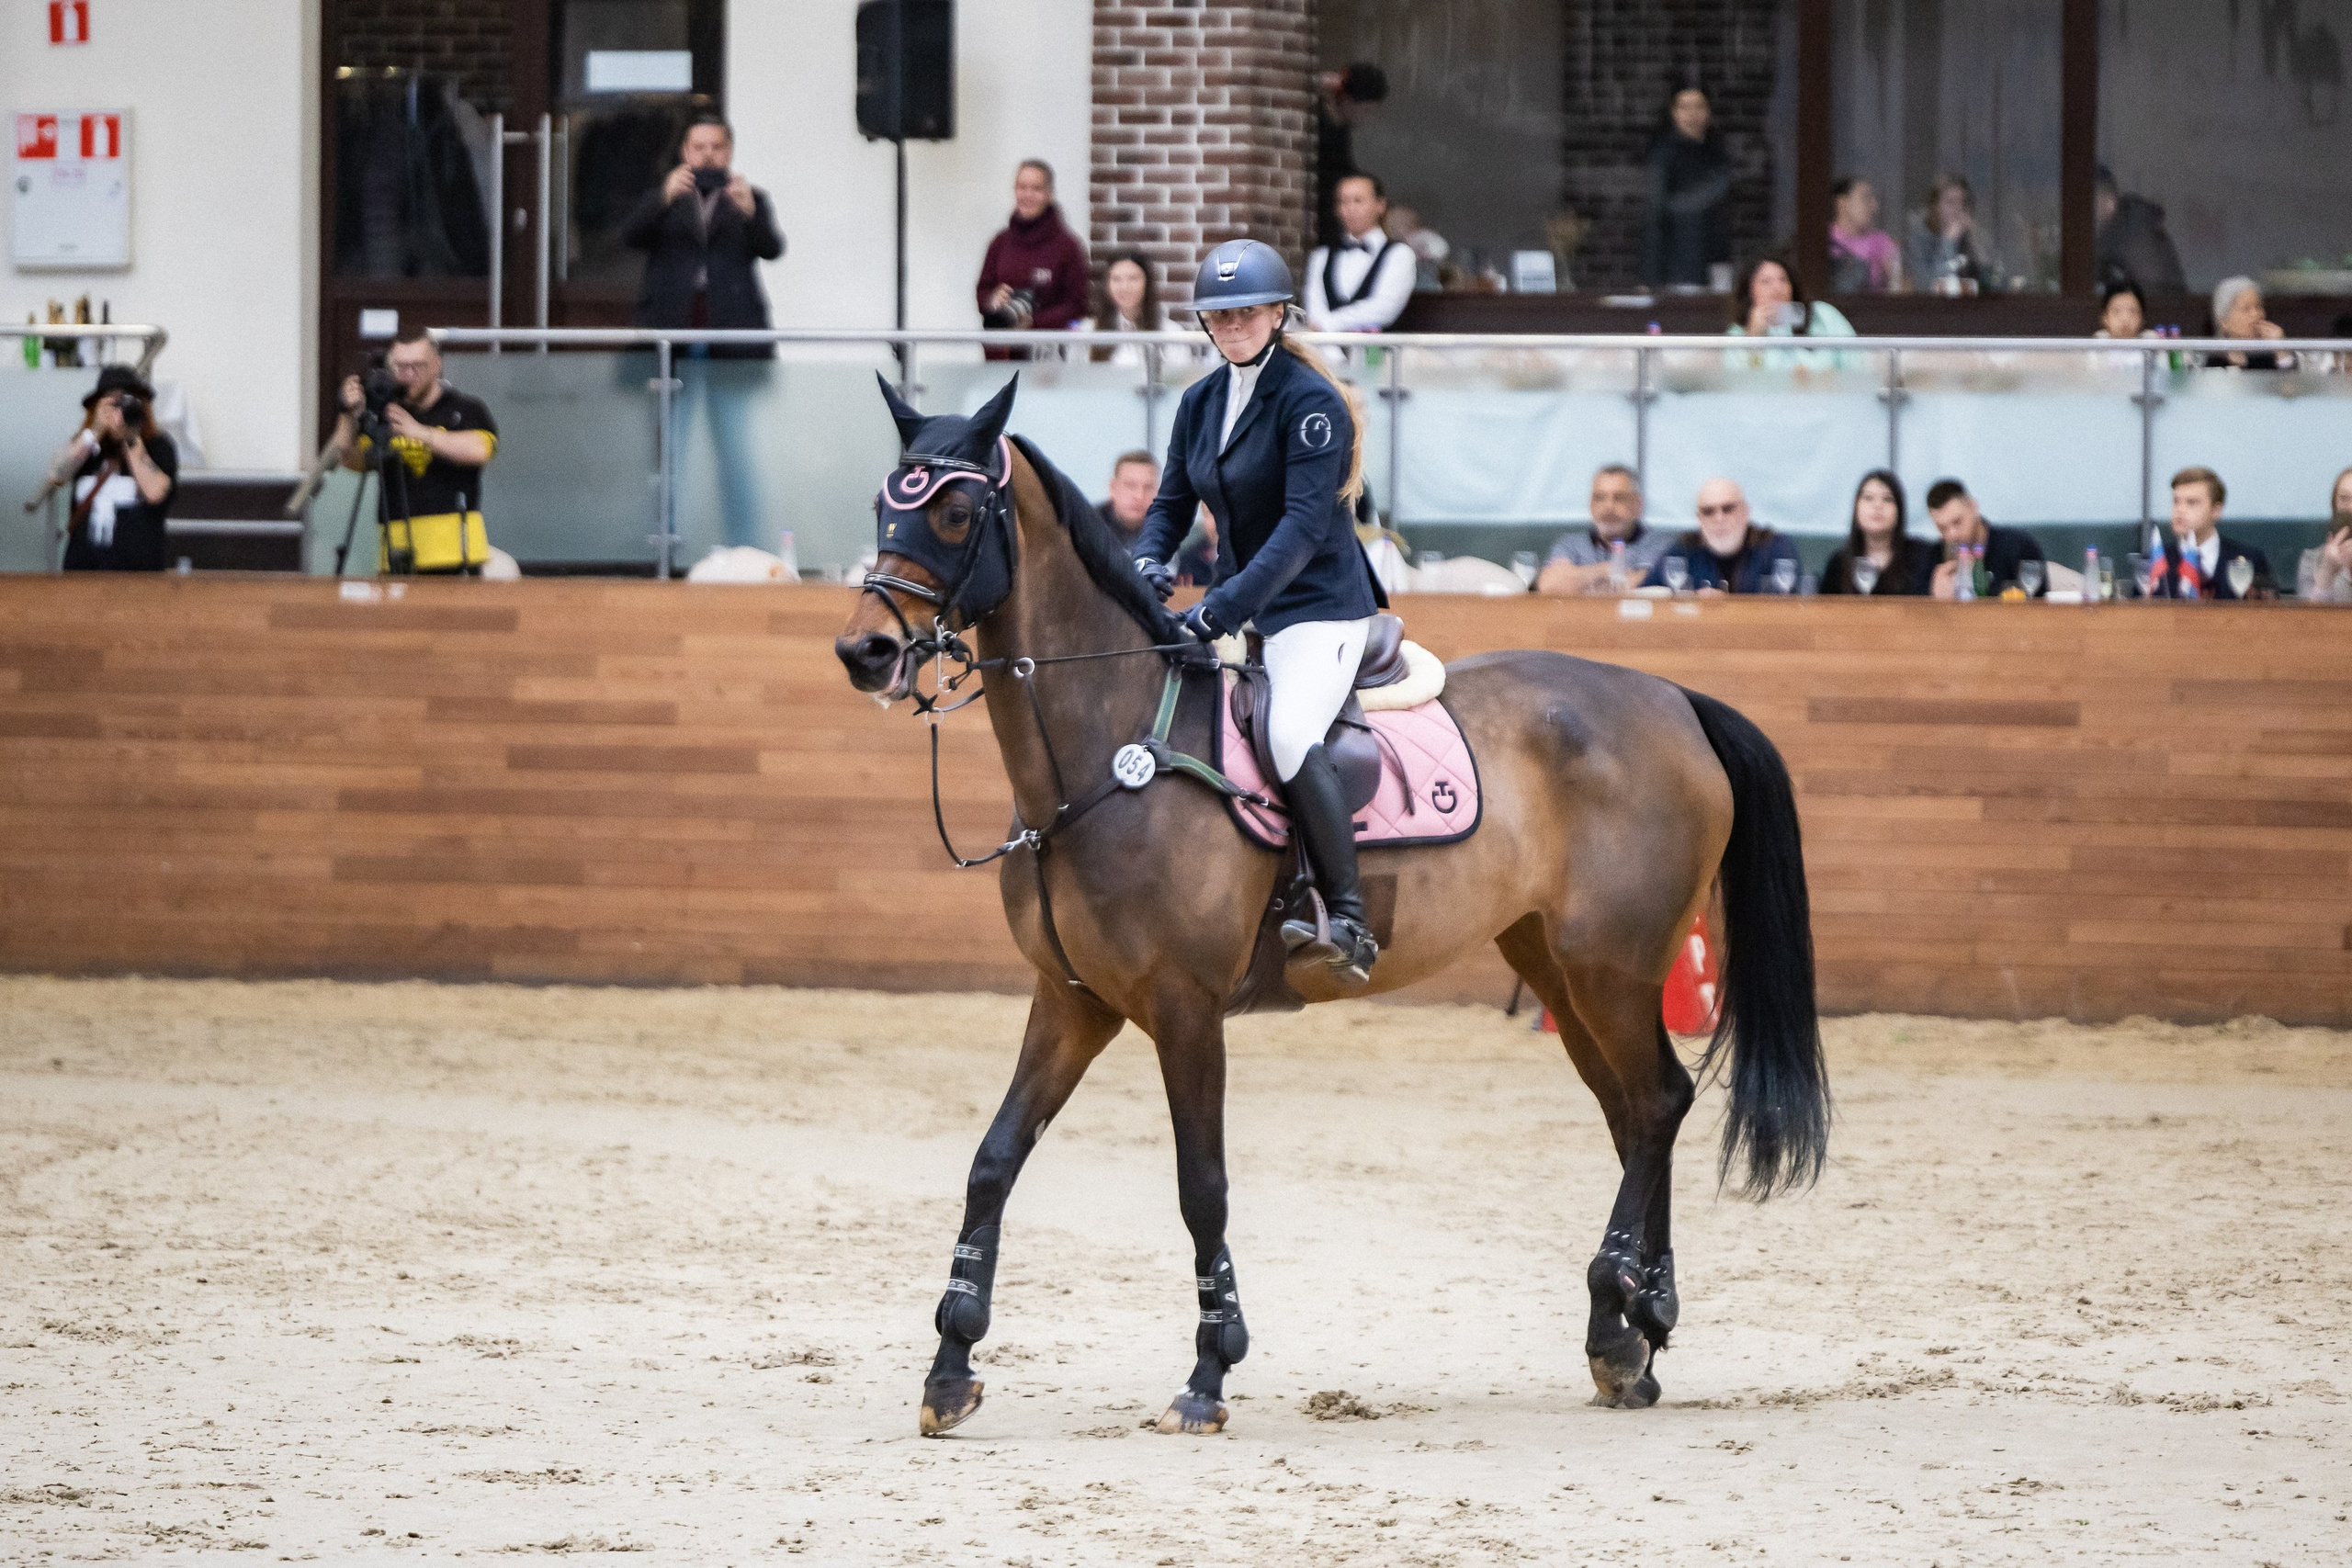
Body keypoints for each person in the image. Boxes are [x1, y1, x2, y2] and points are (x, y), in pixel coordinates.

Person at [1130, 239, 1388, 982]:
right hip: (1244, 607)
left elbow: (1302, 531)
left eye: (1247, 310)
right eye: (1221, 313)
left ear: (1278, 314)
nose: (1234, 323)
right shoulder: (1200, 400)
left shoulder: (1312, 404)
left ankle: (1346, 914)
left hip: (1317, 609)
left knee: (1286, 727)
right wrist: (1147, 559)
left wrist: (1217, 609)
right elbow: (1171, 501)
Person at [620, 114, 786, 549]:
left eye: (716, 147)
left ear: (729, 151)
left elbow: (773, 249)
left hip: (729, 344)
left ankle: (743, 546)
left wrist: (751, 215)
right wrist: (660, 199)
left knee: (734, 451)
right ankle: (665, 547)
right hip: (669, 344)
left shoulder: (749, 197)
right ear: (684, 152)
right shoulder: (667, 196)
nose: (707, 155)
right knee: (669, 453)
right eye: (698, 147)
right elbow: (628, 237)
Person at [334, 325, 498, 575]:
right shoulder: (383, 414)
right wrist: (347, 414)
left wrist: (420, 432)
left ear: (437, 365)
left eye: (417, 366)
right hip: (396, 555)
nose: (408, 375)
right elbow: (351, 460)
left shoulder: (466, 409)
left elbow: (479, 451)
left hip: (456, 555)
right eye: (400, 367)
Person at [53, 366, 178, 572]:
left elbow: (156, 493)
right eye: (113, 403)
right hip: (82, 575)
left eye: (127, 403)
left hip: (139, 579)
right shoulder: (87, 447)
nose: (119, 413)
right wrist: (95, 430)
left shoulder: (158, 446)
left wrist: (130, 437)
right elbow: (56, 474)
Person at [976, 160, 1090, 362]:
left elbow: (1078, 304)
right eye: (1022, 187)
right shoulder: (1000, 243)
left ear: (1050, 194)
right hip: (1001, 357)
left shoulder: (1068, 247)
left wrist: (1032, 322)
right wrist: (992, 300)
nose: (1027, 195)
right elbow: (983, 291)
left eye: (1036, 188)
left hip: (1048, 359)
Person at [1642, 86, 1733, 290]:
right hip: (1680, 263)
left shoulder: (1717, 152)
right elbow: (1655, 214)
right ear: (1674, 113)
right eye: (1685, 107)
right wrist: (1650, 275)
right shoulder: (1663, 156)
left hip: (1718, 258)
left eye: (1699, 106)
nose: (1693, 114)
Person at [1643, 479, 1804, 594]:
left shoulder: (1773, 546)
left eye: (1727, 509)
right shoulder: (1684, 548)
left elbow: (1794, 603)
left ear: (1745, 511)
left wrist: (1728, 609)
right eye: (1708, 511)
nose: (1719, 518)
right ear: (1699, 517)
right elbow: (1644, 595)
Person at [1304, 173, 1417, 333]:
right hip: (1325, 353)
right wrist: (1332, 356)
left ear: (1380, 205)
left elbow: (1384, 308)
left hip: (1379, 355)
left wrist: (1328, 324)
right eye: (1343, 201)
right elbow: (1315, 312)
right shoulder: (1321, 256)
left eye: (1358, 200)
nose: (1349, 209)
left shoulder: (1399, 254)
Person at [1536, 464, 1670, 593]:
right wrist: (1608, 569)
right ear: (1590, 504)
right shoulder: (1570, 544)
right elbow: (1549, 585)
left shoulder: (1657, 543)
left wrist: (1577, 579)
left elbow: (1643, 585)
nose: (1608, 506)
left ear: (1638, 505)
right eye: (1599, 498)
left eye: (1619, 498)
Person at [2147, 467, 2271, 600]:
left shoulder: (2250, 559)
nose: (2180, 510)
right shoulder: (2156, 561)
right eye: (2176, 501)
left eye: (2191, 502)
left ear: (2216, 510)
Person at [1724, 254, 1858, 370]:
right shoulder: (1738, 332)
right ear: (1749, 292)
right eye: (1766, 282)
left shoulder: (1821, 314)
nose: (1777, 288)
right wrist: (1755, 338)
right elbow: (1742, 384)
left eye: (1783, 280)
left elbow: (1857, 362)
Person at [1819, 470, 1937, 595]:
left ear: (1899, 510)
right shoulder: (1838, 565)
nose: (1877, 505)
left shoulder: (1922, 557)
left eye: (1887, 499)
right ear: (1856, 509)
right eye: (1868, 498)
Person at [1924, 479, 2045, 599]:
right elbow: (1912, 605)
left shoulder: (2017, 546)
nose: (1952, 535)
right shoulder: (1935, 558)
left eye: (1957, 522)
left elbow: (2040, 602)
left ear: (1973, 507)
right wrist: (1934, 596)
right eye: (1942, 528)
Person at [1315, 63, 1389, 250]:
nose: (1368, 117)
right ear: (1347, 101)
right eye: (1366, 110)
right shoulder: (1316, 125)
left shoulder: (1340, 130)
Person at [2093, 165, 2186, 295]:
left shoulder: (2135, 231)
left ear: (2110, 202)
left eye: (2091, 201)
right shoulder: (2112, 232)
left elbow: (2151, 286)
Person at [1074, 250, 1165, 366]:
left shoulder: (1170, 332)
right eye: (1116, 279)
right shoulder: (1087, 332)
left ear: (1147, 283)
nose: (1125, 287)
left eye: (1133, 278)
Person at [1905, 175, 1987, 295]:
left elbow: (1990, 282)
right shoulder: (1919, 238)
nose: (1958, 209)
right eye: (1951, 202)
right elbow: (1929, 286)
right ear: (1935, 206)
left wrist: (1975, 239)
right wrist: (1949, 241)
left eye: (1963, 203)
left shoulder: (1968, 237)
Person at [2202, 276, 2296, 371]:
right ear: (2224, 322)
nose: (2256, 314)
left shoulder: (2267, 357)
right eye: (2246, 309)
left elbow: (2290, 383)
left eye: (2258, 306)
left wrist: (2281, 349)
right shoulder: (2213, 362)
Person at [1827, 177, 1901, 293]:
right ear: (1842, 203)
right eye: (1866, 198)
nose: (1875, 206)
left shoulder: (1881, 241)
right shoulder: (1823, 240)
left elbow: (1899, 286)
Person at [2298, 470, 2352, 602]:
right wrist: (2327, 572)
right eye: (2344, 498)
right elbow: (2305, 619)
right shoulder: (2311, 560)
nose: (2351, 507)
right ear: (2334, 506)